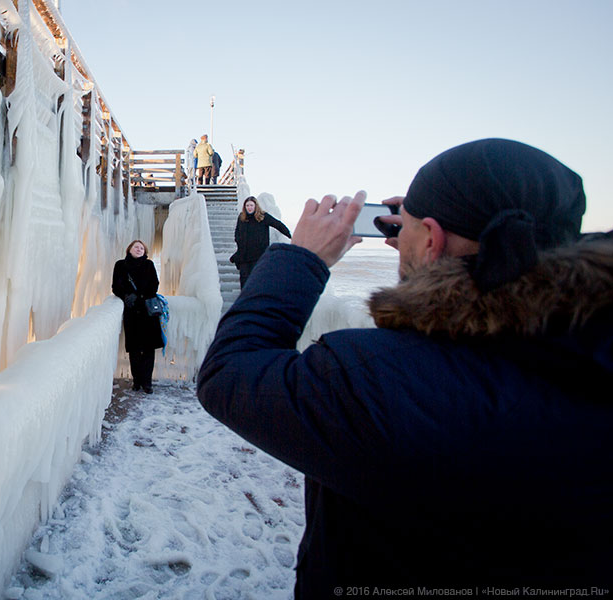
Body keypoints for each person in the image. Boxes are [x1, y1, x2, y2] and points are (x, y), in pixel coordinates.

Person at [197, 139, 612, 596]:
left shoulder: (380, 381)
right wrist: (431, 230)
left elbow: (230, 372)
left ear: (432, 240)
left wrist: (303, 257)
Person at [112, 240, 164, 394]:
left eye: (142, 248)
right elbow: (115, 286)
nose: (139, 249)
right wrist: (125, 296)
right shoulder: (120, 265)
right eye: (136, 247)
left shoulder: (149, 265)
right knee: (134, 349)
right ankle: (137, 381)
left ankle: (147, 383)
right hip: (131, 312)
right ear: (129, 249)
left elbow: (154, 285)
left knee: (148, 349)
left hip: (148, 312)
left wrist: (138, 296)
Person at [232, 196, 291, 288]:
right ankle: (245, 300)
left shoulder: (263, 216)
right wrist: (238, 240)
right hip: (244, 255)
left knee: (255, 278)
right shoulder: (241, 217)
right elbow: (237, 231)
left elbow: (278, 224)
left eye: (251, 205)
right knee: (244, 279)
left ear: (256, 206)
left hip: (258, 255)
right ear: (245, 207)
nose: (249, 207)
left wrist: (290, 236)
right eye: (247, 205)